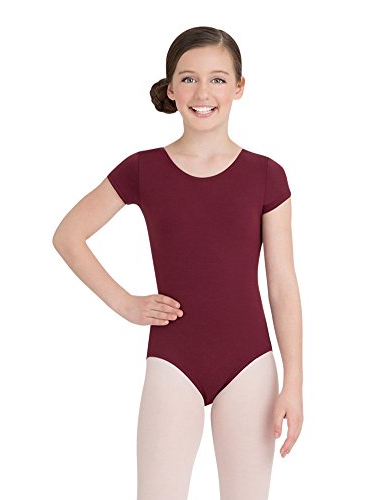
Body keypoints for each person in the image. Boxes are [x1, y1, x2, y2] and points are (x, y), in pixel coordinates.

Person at [53, 25, 303, 500]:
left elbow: (282, 285)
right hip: (173, 359)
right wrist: (126, 304)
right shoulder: (143, 169)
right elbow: (68, 235)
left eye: (217, 79)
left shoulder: (267, 176)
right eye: (189, 79)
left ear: (239, 87)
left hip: (250, 362)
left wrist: (294, 383)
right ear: (171, 88)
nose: (203, 93)